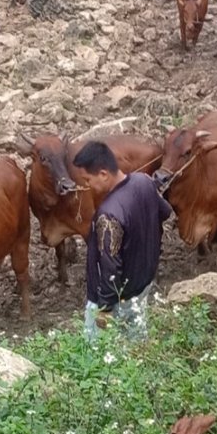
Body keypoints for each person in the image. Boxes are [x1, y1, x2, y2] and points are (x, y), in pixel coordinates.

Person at [71, 141, 172, 340]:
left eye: (87, 179)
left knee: (97, 353)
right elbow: (165, 211)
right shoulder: (143, 181)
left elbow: (110, 267)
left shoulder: (109, 215)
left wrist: (104, 309)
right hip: (143, 284)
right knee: (135, 342)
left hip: (118, 298)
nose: (87, 186)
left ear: (103, 174)